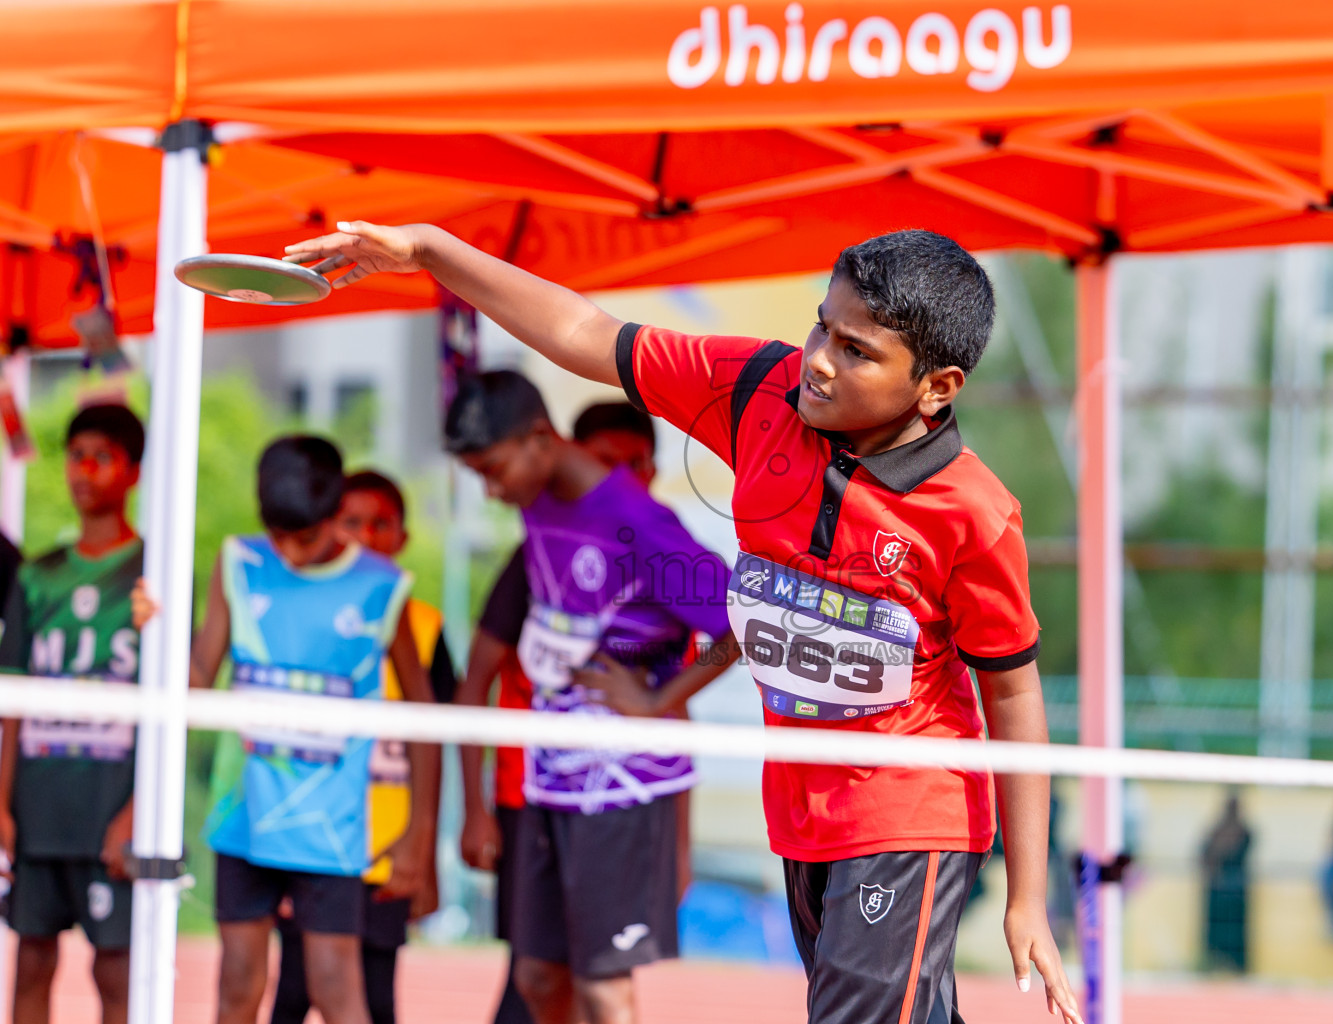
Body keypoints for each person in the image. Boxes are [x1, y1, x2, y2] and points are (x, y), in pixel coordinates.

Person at [285, 222, 1082, 1023]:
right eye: (821, 327)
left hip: (911, 806)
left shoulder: (973, 512)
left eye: (858, 351)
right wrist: (431, 253)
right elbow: (585, 332)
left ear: (938, 387)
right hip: (800, 808)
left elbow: (1011, 697)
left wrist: (1026, 897)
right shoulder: (759, 393)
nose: (819, 360)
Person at [444, 371, 737, 1024]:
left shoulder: (641, 523)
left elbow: (738, 625)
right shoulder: (536, 498)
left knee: (605, 990)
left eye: (494, 471)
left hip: (623, 787)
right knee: (538, 976)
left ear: (540, 439)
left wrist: (658, 701)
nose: (493, 492)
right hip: (552, 778)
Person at [143, 436, 437, 1024]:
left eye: (304, 539)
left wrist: (417, 833)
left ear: (334, 517)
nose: (290, 554)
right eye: (278, 537)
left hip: (328, 828)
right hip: (243, 813)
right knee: (237, 984)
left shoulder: (382, 587)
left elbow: (422, 715)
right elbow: (201, 673)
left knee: (336, 987)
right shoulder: (240, 563)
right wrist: (159, 631)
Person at [458, 400, 667, 1024]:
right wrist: (476, 810)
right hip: (532, 800)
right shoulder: (538, 547)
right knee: (535, 977)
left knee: (598, 982)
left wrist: (674, 847)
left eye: (636, 464)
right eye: (606, 463)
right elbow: (474, 683)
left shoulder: (653, 544)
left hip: (618, 803)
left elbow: (720, 638)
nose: (622, 477)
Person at [269, 470, 457, 1024]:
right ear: (330, 528)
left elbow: (434, 740)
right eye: (353, 522)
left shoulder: (425, 627)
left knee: (375, 1001)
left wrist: (422, 852)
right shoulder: (303, 615)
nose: (368, 535)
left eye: (382, 524)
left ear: (402, 538)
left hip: (386, 852)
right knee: (295, 992)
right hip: (310, 841)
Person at [0, 404, 144, 1024]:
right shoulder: (38, 577)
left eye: (102, 457)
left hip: (110, 802)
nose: (84, 472)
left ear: (133, 470)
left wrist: (141, 810)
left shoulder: (153, 577)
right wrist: (1, 802)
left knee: (115, 968)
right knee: (30, 960)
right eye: (76, 456)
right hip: (39, 800)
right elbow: (13, 699)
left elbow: (173, 700)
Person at [1199, 790, 1252, 973]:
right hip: (1217, 893)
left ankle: (1236, 968)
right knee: (1215, 934)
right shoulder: (1215, 831)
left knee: (1235, 936)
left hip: (1235, 894)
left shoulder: (1245, 832)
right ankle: (1213, 965)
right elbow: (1204, 857)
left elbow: (1236, 854)